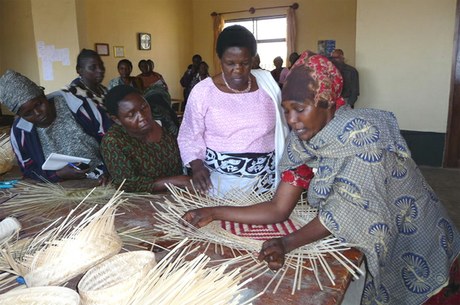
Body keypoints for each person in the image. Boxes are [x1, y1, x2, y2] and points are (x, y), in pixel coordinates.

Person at [182, 51, 460, 304]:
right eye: (286, 109)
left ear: (329, 104)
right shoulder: (304, 138)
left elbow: (342, 213)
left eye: (299, 109)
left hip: (417, 236)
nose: (291, 120)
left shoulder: (363, 142)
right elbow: (279, 207)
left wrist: (286, 243)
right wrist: (214, 211)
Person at [178, 25, 288, 197]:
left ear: (253, 59)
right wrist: (197, 167)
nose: (238, 69)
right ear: (219, 59)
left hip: (267, 182)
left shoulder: (267, 86)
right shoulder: (203, 92)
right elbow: (189, 135)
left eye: (245, 63)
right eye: (230, 63)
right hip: (219, 182)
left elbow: (284, 127)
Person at [0, 70, 111, 182]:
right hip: (59, 187)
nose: (38, 113)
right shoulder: (20, 132)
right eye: (28, 113)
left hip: (101, 177)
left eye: (39, 104)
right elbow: (29, 170)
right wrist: (58, 174)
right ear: (20, 116)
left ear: (43, 94)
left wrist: (108, 171)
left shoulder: (80, 107)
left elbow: (110, 140)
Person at [101, 85, 191, 193]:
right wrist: (176, 181)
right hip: (144, 203)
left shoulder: (165, 123)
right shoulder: (114, 141)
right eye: (131, 115)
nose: (142, 117)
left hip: (182, 196)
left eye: (144, 107)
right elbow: (128, 183)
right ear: (117, 120)